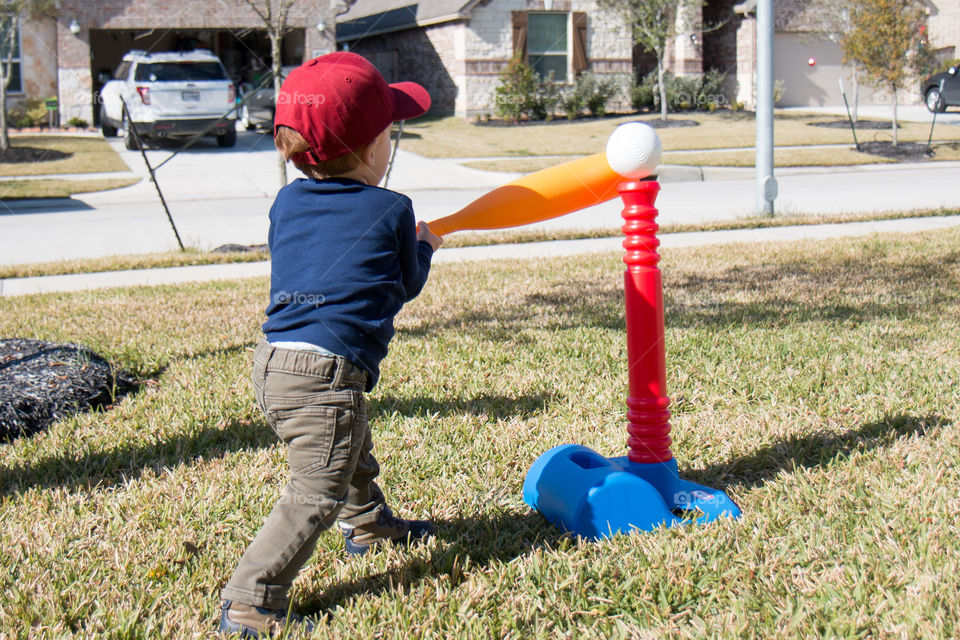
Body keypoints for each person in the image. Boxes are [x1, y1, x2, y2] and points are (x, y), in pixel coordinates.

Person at [219, 52, 443, 637]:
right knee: (315, 491)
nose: (391, 141)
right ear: (372, 150)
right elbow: (403, 286)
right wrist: (424, 246)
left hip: (274, 363)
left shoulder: (285, 201)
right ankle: (251, 600)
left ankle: (369, 526)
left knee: (349, 446)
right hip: (325, 374)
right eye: (389, 131)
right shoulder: (393, 208)